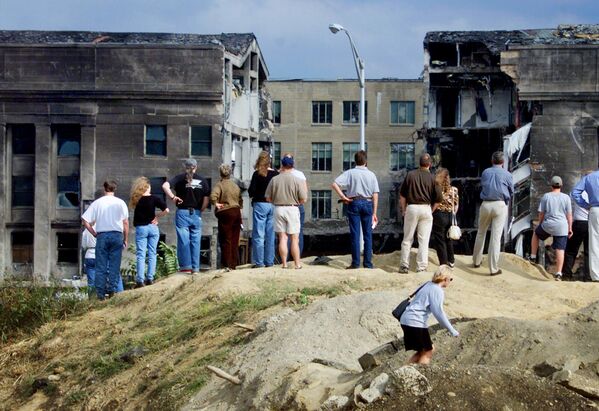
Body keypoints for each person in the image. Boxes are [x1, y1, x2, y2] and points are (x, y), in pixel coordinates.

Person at [399, 265, 459, 364]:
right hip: (415, 321)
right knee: (428, 351)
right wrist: (452, 330)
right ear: (445, 278)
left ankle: (404, 373)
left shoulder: (428, 284)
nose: (450, 282)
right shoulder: (437, 290)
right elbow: (438, 313)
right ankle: (417, 377)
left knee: (422, 351)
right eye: (451, 279)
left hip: (406, 319)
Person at [332, 150, 380, 269]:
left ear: (355, 161)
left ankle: (355, 263)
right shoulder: (372, 175)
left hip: (354, 202)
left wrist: (343, 197)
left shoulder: (350, 173)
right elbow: (375, 194)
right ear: (366, 161)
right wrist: (374, 212)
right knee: (368, 235)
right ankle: (368, 263)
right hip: (368, 203)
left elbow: (334, 184)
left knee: (355, 234)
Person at [81, 180, 129, 300]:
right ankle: (112, 290)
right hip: (117, 234)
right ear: (115, 189)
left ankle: (100, 295)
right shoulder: (120, 203)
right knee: (114, 265)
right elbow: (126, 222)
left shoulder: (98, 203)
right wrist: (125, 238)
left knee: (101, 266)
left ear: (104, 188)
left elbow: (85, 220)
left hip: (102, 235)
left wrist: (94, 233)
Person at [162, 159, 210, 275]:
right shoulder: (203, 181)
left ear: (185, 167)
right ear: (196, 167)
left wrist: (173, 197)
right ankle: (196, 268)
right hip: (196, 213)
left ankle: (185, 267)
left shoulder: (179, 178)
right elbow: (206, 199)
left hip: (182, 212)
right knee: (196, 241)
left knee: (184, 240)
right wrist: (200, 210)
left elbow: (165, 186)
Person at [398, 153, 443, 273]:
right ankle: (421, 267)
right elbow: (439, 199)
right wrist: (431, 211)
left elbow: (402, 195)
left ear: (419, 163)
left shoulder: (410, 175)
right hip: (426, 208)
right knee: (424, 240)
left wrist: (403, 210)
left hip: (411, 207)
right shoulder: (433, 178)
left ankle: (404, 265)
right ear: (430, 164)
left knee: (407, 238)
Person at [472, 151, 514, 276]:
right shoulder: (507, 174)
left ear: (492, 161)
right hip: (500, 204)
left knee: (481, 232)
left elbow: (483, 186)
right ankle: (493, 268)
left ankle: (476, 261)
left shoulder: (485, 172)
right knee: (495, 237)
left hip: (485, 204)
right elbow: (511, 191)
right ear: (503, 162)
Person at [265, 154, 307, 269]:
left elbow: (268, 198)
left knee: (282, 238)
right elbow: (304, 198)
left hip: (278, 208)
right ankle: (297, 264)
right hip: (293, 208)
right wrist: (297, 202)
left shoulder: (274, 179)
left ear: (282, 165)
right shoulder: (297, 180)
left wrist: (276, 200)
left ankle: (284, 264)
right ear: (292, 165)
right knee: (294, 238)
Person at [528, 176, 572, 281]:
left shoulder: (546, 196)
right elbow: (569, 215)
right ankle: (558, 273)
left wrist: (540, 224)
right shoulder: (566, 197)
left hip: (549, 225)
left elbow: (541, 213)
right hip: (562, 226)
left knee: (536, 233)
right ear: (561, 185)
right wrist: (570, 228)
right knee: (560, 249)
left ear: (551, 185)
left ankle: (533, 257)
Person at [130, 177, 169, 288]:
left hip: (141, 228)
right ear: (148, 187)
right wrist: (157, 217)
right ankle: (150, 278)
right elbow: (166, 210)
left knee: (141, 254)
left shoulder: (136, 199)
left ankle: (140, 280)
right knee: (152, 253)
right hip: (153, 227)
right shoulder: (155, 198)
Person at [248, 151, 278, 268]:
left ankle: (259, 262)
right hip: (273, 205)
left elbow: (251, 191)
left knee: (259, 235)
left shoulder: (257, 174)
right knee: (270, 235)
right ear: (270, 161)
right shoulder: (276, 174)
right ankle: (269, 262)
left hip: (260, 204)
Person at [210, 164, 243, 270]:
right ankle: (233, 265)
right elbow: (240, 199)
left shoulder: (219, 185)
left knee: (226, 239)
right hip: (236, 212)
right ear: (230, 173)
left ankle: (226, 265)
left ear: (220, 173)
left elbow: (213, 196)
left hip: (226, 213)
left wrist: (216, 203)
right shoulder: (235, 185)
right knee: (235, 239)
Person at [571, 168, 599, 282]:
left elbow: (575, 192)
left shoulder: (589, 177)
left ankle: (596, 276)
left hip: (595, 210)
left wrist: (585, 205)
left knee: (595, 243)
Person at [431, 167, 459, 267]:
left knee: (440, 239)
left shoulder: (436, 189)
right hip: (450, 215)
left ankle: (443, 262)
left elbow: (434, 202)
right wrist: (452, 214)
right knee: (448, 238)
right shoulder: (454, 190)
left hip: (439, 214)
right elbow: (456, 206)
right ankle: (451, 260)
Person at [282, 152, 308, 260]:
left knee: (285, 233)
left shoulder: (279, 175)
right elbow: (305, 193)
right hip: (297, 205)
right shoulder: (300, 175)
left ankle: (286, 258)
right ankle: (297, 257)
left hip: (284, 205)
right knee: (298, 232)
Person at [563, 190, 590, 281]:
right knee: (589, 252)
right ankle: (588, 276)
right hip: (592, 223)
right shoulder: (595, 192)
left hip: (578, 222)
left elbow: (569, 208)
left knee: (571, 250)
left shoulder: (575, 192)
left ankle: (566, 274)